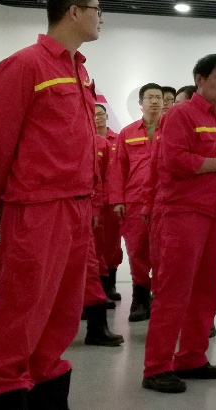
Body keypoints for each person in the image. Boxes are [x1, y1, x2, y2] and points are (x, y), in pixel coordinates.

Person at [0, 0, 102, 409]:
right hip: (36, 208)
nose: (101, 19)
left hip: (76, 206)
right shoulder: (24, 65)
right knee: (23, 306)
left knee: (63, 309)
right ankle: (5, 384)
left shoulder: (78, 70)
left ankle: (47, 381)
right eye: (97, 10)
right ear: (74, 12)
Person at [142, 54, 216, 394]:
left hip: (213, 215)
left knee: (206, 291)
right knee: (174, 291)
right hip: (183, 214)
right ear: (200, 80)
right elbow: (173, 161)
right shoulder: (181, 114)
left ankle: (192, 358)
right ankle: (156, 367)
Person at [113, 83, 165, 322]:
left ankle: (162, 298)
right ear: (141, 103)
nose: (154, 101)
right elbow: (118, 168)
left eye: (158, 97)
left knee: (164, 252)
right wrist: (117, 200)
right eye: (150, 97)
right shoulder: (128, 133)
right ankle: (140, 299)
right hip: (134, 200)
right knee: (137, 251)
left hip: (164, 201)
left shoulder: (172, 130)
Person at [81, 122, 124, 348]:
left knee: (91, 265)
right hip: (51, 206)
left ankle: (97, 327)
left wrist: (96, 209)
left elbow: (101, 180)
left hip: (84, 208)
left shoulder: (100, 144)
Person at [92, 104, 123, 305]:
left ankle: (110, 285)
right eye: (94, 115)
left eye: (101, 114)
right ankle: (96, 286)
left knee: (112, 243)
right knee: (94, 245)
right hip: (93, 201)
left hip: (112, 200)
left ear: (106, 116)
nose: (98, 118)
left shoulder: (118, 139)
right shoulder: (87, 140)